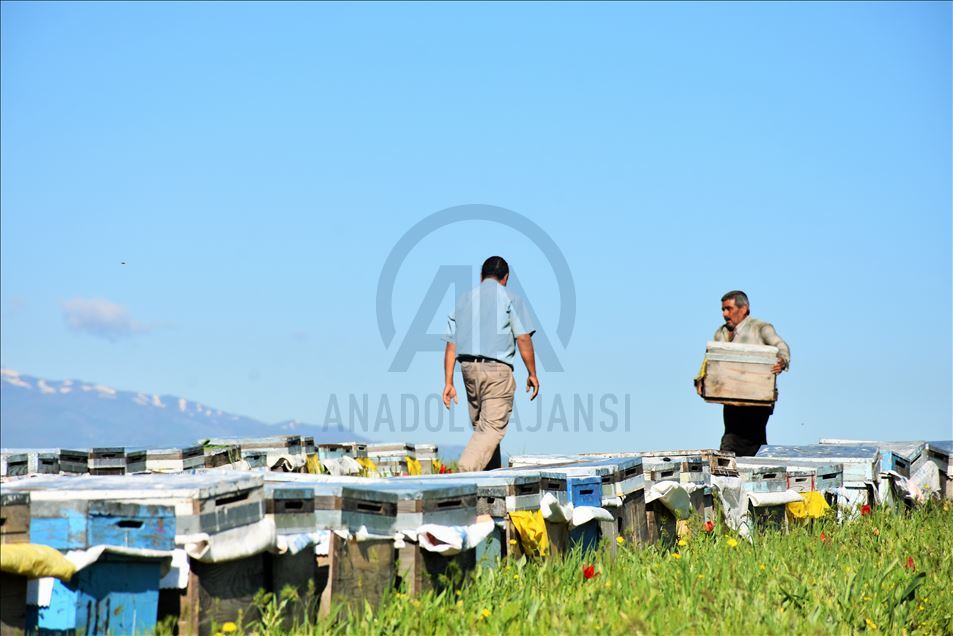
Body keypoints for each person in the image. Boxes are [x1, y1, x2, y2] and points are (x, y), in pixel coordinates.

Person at [441, 256, 540, 471]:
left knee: (483, 429)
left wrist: (448, 382)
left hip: (467, 370)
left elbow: (451, 345)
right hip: (497, 371)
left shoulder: (463, 300)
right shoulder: (510, 298)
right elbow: (523, 338)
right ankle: (462, 476)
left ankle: (489, 491)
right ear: (506, 278)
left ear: (481, 276)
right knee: (491, 429)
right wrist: (532, 373)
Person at [695, 290, 790, 457]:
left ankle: (735, 472)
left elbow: (781, 346)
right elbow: (709, 360)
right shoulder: (721, 332)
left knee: (739, 440)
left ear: (744, 308)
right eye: (723, 309)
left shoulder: (760, 328)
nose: (725, 314)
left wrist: (781, 360)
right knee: (743, 438)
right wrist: (700, 379)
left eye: (729, 309)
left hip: (757, 399)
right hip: (731, 398)